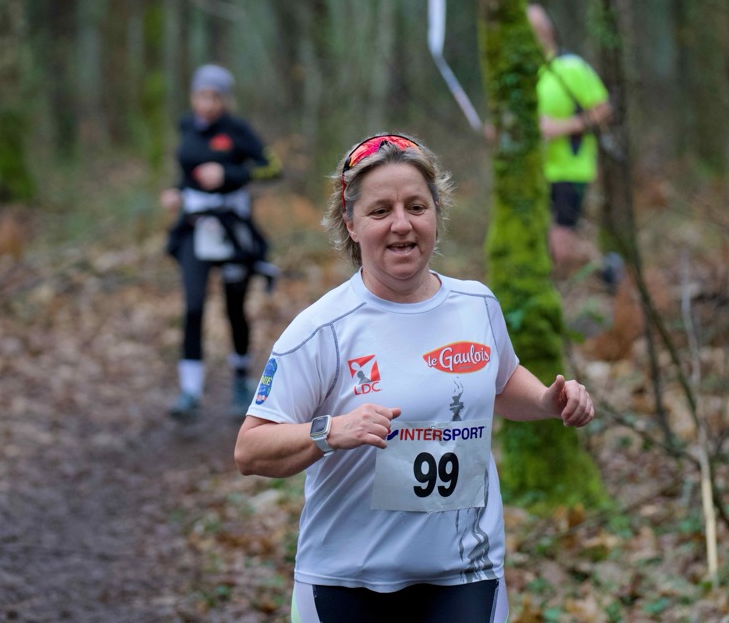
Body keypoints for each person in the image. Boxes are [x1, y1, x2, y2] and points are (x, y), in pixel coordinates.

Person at [233, 132, 595, 623]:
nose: (401, 224)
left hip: (465, 574)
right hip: (344, 581)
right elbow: (250, 450)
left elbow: (501, 382)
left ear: (436, 214)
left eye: (416, 207)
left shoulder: (476, 305)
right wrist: (331, 431)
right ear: (351, 224)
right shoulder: (322, 329)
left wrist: (550, 401)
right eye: (380, 211)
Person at [161, 64, 280, 420]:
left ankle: (241, 382)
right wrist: (177, 191)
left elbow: (271, 167)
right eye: (202, 95)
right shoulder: (187, 127)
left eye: (215, 97)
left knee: (234, 309)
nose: (208, 103)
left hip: (231, 231)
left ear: (226, 99)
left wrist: (228, 173)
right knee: (193, 306)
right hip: (194, 227)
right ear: (193, 96)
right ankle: (190, 392)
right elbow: (187, 173)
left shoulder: (238, 130)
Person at [528, 4, 623, 288]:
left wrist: (562, 127)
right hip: (538, 171)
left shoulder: (570, 67)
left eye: (533, 31)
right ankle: (602, 269)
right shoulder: (531, 74)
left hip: (572, 168)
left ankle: (605, 270)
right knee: (549, 239)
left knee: (560, 245)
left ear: (546, 32)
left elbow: (603, 110)